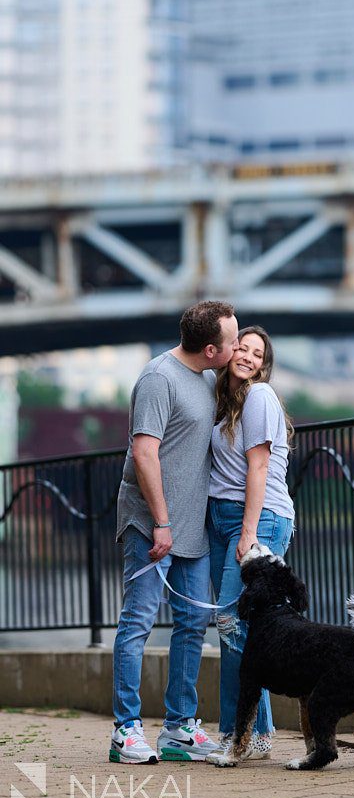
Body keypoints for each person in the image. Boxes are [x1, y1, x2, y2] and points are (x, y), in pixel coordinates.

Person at [110, 301, 239, 764]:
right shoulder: (158, 379)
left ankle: (179, 728)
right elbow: (144, 453)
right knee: (138, 622)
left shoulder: (207, 377)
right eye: (232, 339)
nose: (238, 344)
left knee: (190, 625)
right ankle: (125, 730)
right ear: (210, 349)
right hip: (153, 524)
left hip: (192, 527)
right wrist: (161, 522)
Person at [204, 325, 295, 764]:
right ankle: (257, 730)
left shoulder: (258, 397)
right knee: (239, 626)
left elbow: (257, 469)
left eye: (258, 354)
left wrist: (248, 532)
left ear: (263, 365)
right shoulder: (227, 401)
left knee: (229, 620)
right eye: (242, 347)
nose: (248, 357)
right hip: (230, 519)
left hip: (259, 518)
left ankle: (238, 733)